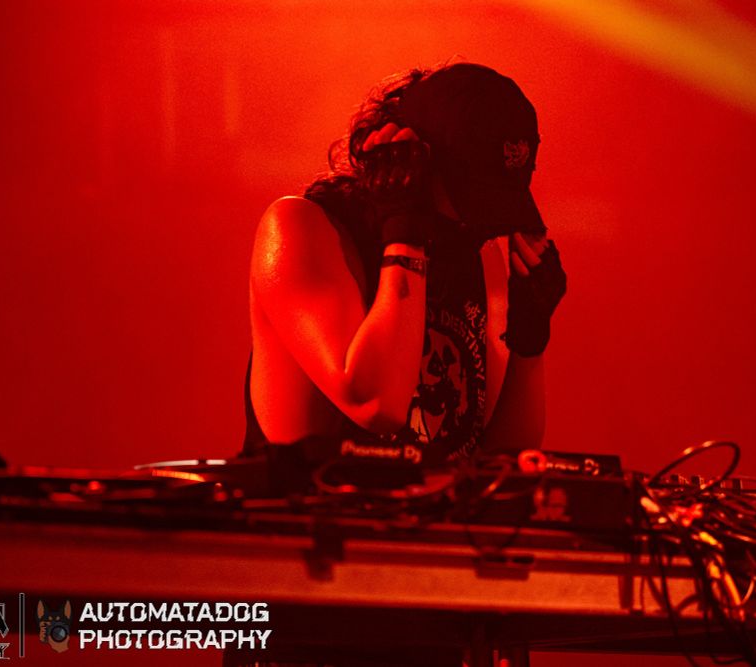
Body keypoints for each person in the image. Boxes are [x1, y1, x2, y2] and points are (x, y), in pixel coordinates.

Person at [243, 62, 566, 472]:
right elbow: (375, 404)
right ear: (418, 161)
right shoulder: (301, 228)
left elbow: (499, 463)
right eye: (473, 198)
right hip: (319, 510)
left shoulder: (481, 254)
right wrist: (405, 232)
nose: (482, 225)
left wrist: (529, 344)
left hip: (432, 515)